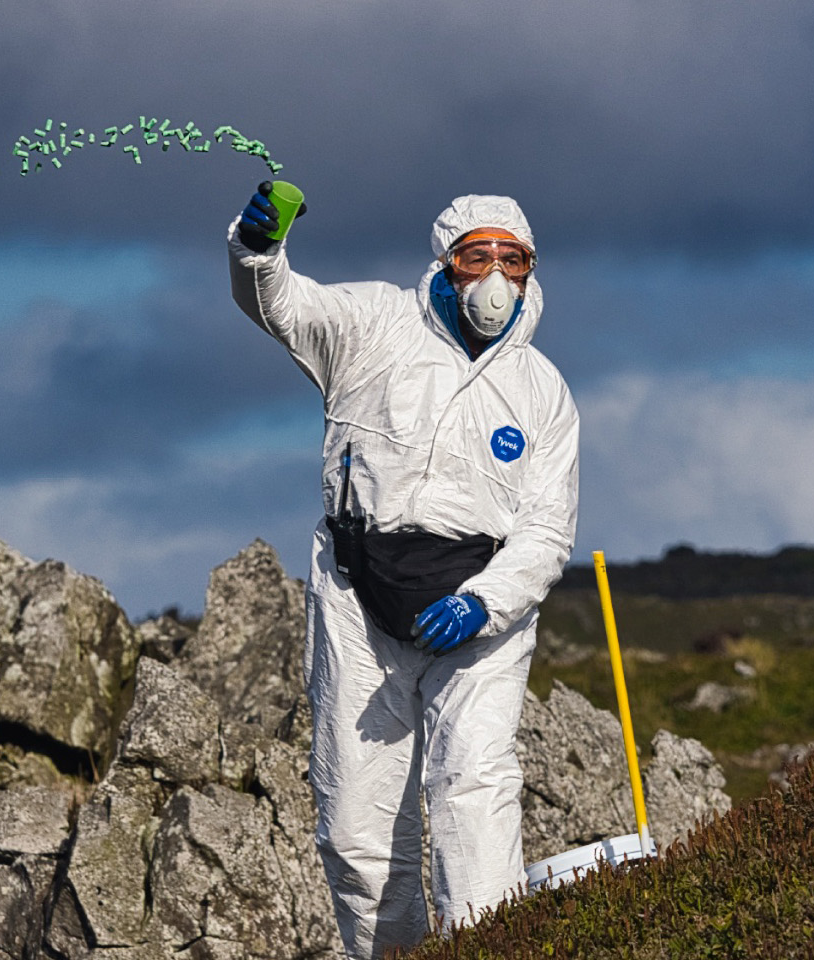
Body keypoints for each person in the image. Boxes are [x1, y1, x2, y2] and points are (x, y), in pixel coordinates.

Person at [227, 184, 580, 958]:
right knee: (356, 822)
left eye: (511, 260)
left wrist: (483, 603)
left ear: (530, 271)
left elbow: (548, 531)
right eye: (477, 256)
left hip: (480, 616)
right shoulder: (373, 325)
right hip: (360, 597)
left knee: (474, 790)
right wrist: (258, 249)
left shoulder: (543, 394)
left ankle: (485, 950)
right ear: (447, 263)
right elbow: (282, 305)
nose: (494, 276)